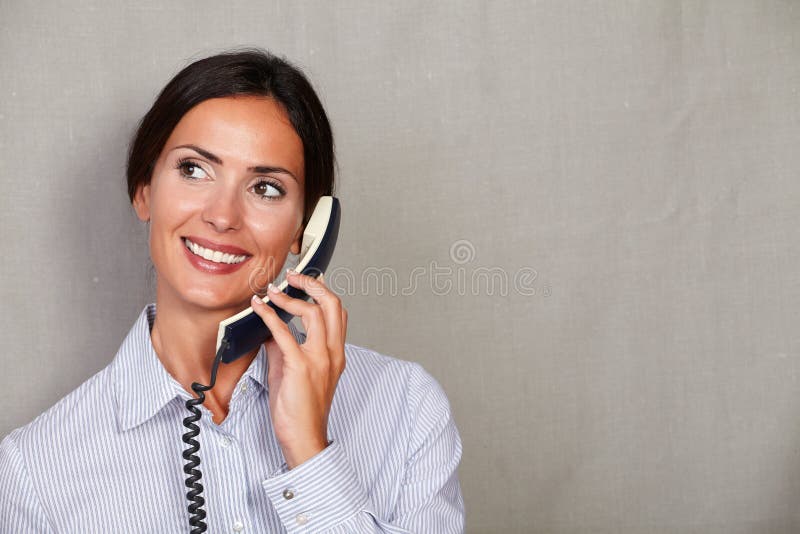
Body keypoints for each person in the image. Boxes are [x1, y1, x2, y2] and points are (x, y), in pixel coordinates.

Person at [0, 49, 464, 533]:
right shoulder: (35, 472)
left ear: (305, 232)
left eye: (265, 188)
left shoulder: (406, 407)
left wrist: (309, 453)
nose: (222, 216)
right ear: (144, 190)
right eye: (194, 169)